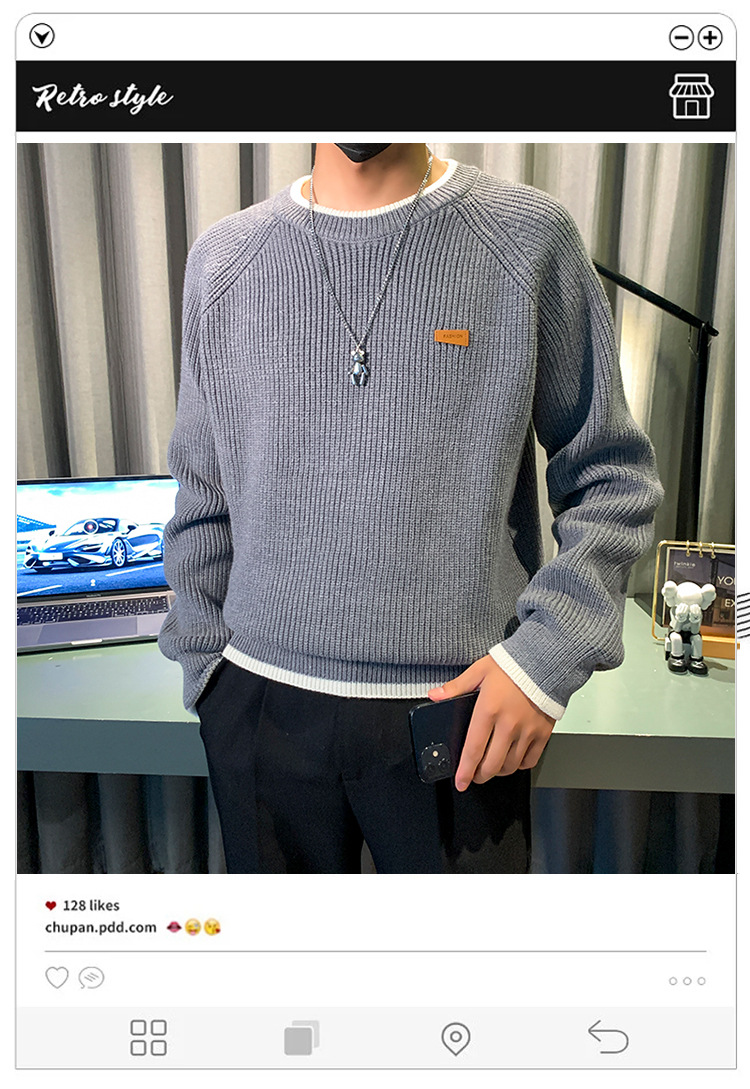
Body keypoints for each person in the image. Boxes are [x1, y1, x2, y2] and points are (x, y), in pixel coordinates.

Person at [158, 142, 664, 874]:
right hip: (258, 705)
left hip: (458, 715)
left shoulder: (525, 238)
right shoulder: (224, 259)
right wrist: (210, 673)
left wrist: (543, 660)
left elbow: (612, 475)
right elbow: (202, 488)